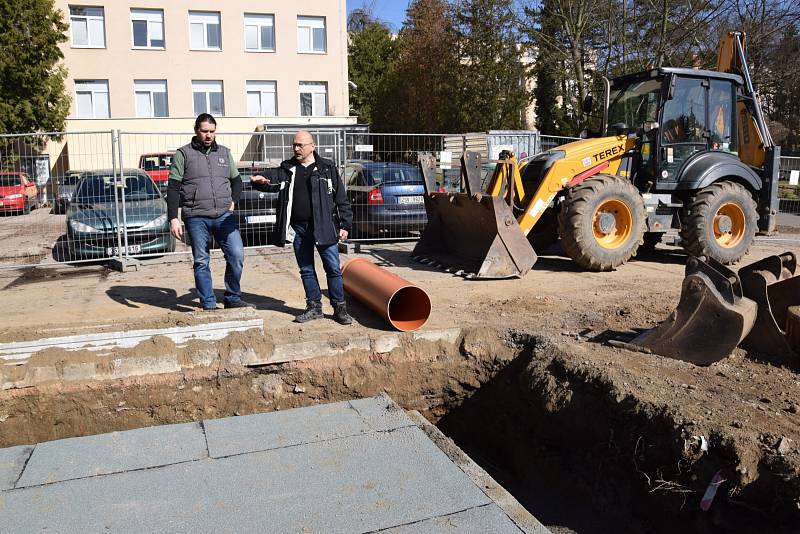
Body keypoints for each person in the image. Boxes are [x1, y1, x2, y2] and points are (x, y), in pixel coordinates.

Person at [250, 130, 353, 325]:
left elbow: (341, 198)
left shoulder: (327, 168)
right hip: (299, 229)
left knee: (332, 269)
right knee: (306, 269)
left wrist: (345, 224)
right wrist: (259, 180)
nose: (296, 148)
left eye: (300, 145)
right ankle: (314, 307)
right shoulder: (288, 169)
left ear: (312, 146)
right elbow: (270, 179)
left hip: (324, 227)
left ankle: (340, 308)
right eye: (294, 145)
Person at [167, 113, 253, 311]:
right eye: (204, 131)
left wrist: (234, 200)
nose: (208, 135)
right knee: (201, 260)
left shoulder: (224, 153)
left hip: (224, 215)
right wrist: (173, 217)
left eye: (212, 132)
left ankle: (232, 297)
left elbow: (237, 180)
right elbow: (173, 187)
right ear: (196, 130)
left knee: (237, 254)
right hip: (196, 216)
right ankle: (208, 303)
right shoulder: (184, 154)